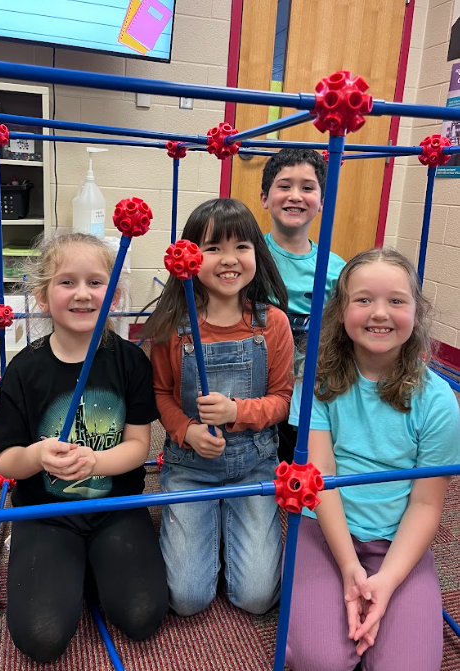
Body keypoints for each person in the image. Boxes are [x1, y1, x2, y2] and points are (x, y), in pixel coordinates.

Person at [0, 233, 168, 663]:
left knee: (144, 617)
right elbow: (8, 462)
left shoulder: (130, 361)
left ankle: (88, 563)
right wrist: (36, 455)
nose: (83, 294)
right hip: (44, 513)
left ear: (115, 294)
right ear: (43, 296)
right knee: (42, 638)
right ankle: (56, 559)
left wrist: (97, 461)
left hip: (116, 508)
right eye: (67, 282)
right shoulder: (24, 369)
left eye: (96, 282)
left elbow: (139, 444)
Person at [286, 248, 460, 671]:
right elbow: (320, 480)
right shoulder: (316, 380)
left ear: (416, 311)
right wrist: (348, 567)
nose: (379, 313)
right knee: (320, 661)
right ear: (341, 310)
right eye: (363, 300)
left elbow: (425, 504)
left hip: (398, 538)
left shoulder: (439, 402)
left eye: (396, 301)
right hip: (326, 532)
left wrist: (387, 581)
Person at [142, 198, 294, 617]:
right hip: (189, 467)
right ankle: (211, 526)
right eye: (213, 248)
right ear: (190, 258)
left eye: (241, 246)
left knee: (258, 598)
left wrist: (236, 413)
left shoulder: (272, 323)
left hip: (255, 466)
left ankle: (232, 527)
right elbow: (161, 394)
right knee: (186, 600)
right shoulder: (171, 324)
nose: (229, 260)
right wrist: (186, 430)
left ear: (256, 254)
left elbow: (282, 401)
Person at [260, 147, 346, 462]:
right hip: (256, 379)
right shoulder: (248, 257)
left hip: (306, 385)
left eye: (307, 188)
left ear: (321, 202)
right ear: (264, 198)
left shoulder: (335, 269)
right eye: (285, 186)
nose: (296, 195)